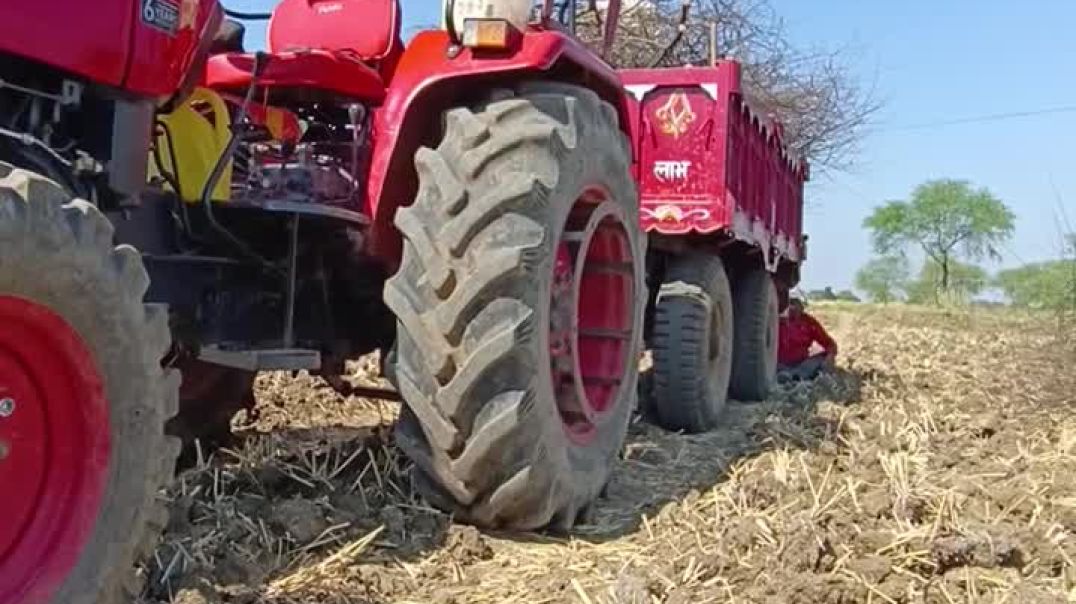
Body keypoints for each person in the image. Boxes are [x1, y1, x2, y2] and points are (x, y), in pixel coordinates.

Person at [777, 297, 838, 382]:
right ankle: (790, 376)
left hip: (803, 365)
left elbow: (830, 344)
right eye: (790, 305)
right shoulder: (776, 320)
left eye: (795, 304)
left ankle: (795, 376)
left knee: (823, 357)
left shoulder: (809, 322)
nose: (792, 308)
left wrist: (830, 357)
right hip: (779, 364)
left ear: (801, 309)